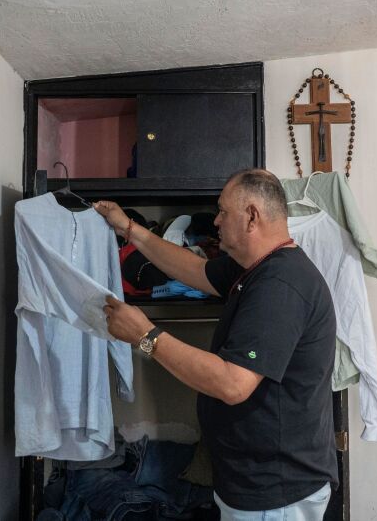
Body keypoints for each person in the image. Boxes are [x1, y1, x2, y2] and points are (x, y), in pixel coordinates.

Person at [94, 169, 338, 520]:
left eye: (223, 211)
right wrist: (129, 229)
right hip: (253, 482)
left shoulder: (280, 285)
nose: (217, 221)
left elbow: (232, 383)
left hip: (274, 492)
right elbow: (194, 269)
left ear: (251, 216)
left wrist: (144, 336)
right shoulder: (253, 267)